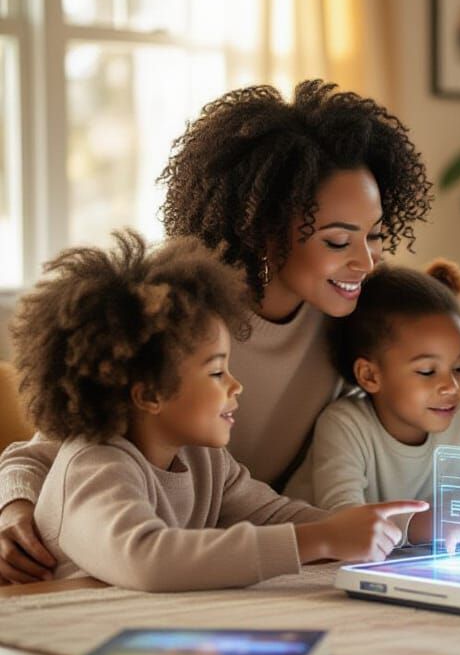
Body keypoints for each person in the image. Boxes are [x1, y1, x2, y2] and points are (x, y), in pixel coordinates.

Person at [0, 79, 432, 584]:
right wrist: (14, 509)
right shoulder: (183, 310)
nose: (365, 260)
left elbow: (262, 501)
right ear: (265, 234)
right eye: (338, 241)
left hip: (238, 548)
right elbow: (57, 446)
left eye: (375, 235)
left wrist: (385, 525)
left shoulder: (355, 320)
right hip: (130, 548)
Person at [13, 231, 425, 591]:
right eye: (216, 372)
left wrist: (397, 529)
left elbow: (276, 514)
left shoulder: (204, 460)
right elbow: (150, 559)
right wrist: (318, 541)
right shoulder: (94, 468)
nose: (236, 384)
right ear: (149, 394)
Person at [286, 260, 460, 552]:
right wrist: (424, 524)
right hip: (319, 553)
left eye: (459, 368)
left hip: (403, 556)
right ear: (370, 375)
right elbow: (342, 518)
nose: (452, 387)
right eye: (427, 372)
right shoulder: (344, 425)